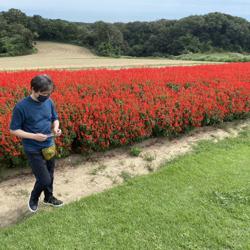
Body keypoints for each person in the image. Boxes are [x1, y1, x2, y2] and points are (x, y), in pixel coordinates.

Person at [9, 74, 64, 213]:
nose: (46, 96)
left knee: (50, 174)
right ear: (33, 89)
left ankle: (49, 197)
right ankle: (34, 198)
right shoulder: (21, 107)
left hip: (49, 145)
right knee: (44, 178)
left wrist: (56, 128)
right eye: (44, 93)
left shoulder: (49, 102)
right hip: (33, 148)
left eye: (49, 93)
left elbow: (55, 118)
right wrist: (34, 136)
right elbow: (13, 130)